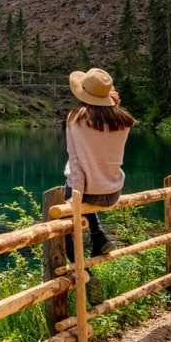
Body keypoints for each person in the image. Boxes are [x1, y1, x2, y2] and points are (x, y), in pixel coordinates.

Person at [63, 67, 136, 302]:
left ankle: (84, 272)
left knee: (64, 227)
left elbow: (76, 162)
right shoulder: (123, 120)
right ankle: (98, 234)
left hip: (89, 193)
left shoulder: (76, 118)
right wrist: (114, 105)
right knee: (88, 176)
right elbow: (103, 138)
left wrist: (74, 197)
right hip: (113, 191)